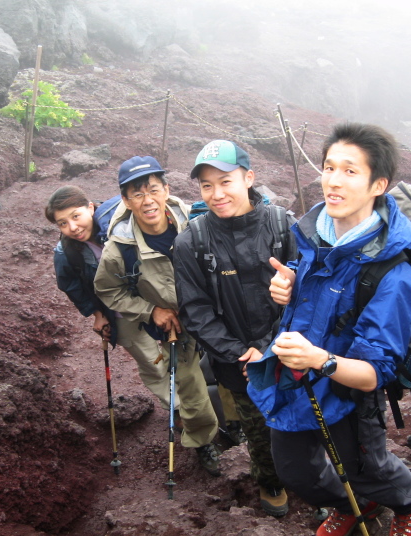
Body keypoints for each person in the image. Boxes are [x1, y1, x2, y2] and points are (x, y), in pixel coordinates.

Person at [246, 123, 411, 536]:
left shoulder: (392, 272)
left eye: (350, 171)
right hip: (296, 376)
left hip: (346, 386)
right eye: (329, 167)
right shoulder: (316, 234)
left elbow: (374, 372)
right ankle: (353, 507)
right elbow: (321, 288)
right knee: (296, 471)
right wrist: (287, 285)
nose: (333, 181)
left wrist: (319, 359)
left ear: (378, 184)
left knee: (367, 469)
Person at [173, 140, 296, 517]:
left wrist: (269, 346)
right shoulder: (191, 241)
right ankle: (270, 480)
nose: (216, 193)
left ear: (249, 178)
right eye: (206, 185)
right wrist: (242, 353)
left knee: (304, 417)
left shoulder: (282, 225)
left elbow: (307, 290)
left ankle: (315, 481)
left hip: (291, 348)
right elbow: (195, 311)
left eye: (225, 181)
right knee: (257, 426)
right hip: (237, 362)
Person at [94, 155, 221, 476]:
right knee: (189, 383)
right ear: (125, 200)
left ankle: (238, 419)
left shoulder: (195, 221)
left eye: (153, 190)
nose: (147, 200)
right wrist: (152, 311)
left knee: (233, 365)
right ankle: (202, 439)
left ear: (166, 189)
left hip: (209, 312)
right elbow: (108, 291)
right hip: (171, 324)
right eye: (137, 194)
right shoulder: (119, 248)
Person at [45, 185, 178, 414]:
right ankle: (178, 410)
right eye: (62, 223)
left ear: (90, 207)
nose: (73, 228)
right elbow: (72, 287)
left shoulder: (122, 221)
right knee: (151, 362)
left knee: (179, 355)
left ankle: (196, 398)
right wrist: (98, 315)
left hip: (160, 301)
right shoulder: (66, 253)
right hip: (120, 311)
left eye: (76, 216)